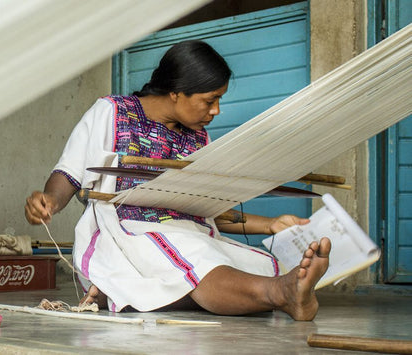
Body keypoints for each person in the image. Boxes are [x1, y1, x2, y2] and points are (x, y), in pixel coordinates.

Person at [25, 40, 331, 321]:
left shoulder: (199, 138)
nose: (216, 110)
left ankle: (122, 296)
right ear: (176, 92)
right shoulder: (111, 112)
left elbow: (202, 207)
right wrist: (50, 200)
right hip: (124, 233)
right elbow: (70, 173)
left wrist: (271, 224)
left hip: (188, 232)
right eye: (210, 100)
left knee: (255, 265)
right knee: (199, 261)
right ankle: (279, 294)